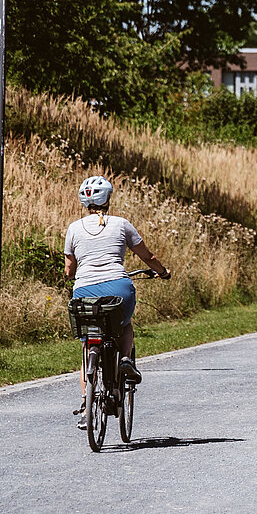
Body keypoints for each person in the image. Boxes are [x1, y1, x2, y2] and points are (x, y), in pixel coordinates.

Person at [64, 175, 169, 418]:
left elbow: (69, 269)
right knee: (125, 324)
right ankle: (125, 360)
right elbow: (148, 256)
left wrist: (73, 277)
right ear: (108, 199)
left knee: (88, 342)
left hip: (84, 291)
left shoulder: (73, 228)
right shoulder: (121, 224)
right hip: (118, 289)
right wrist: (162, 272)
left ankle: (85, 404)